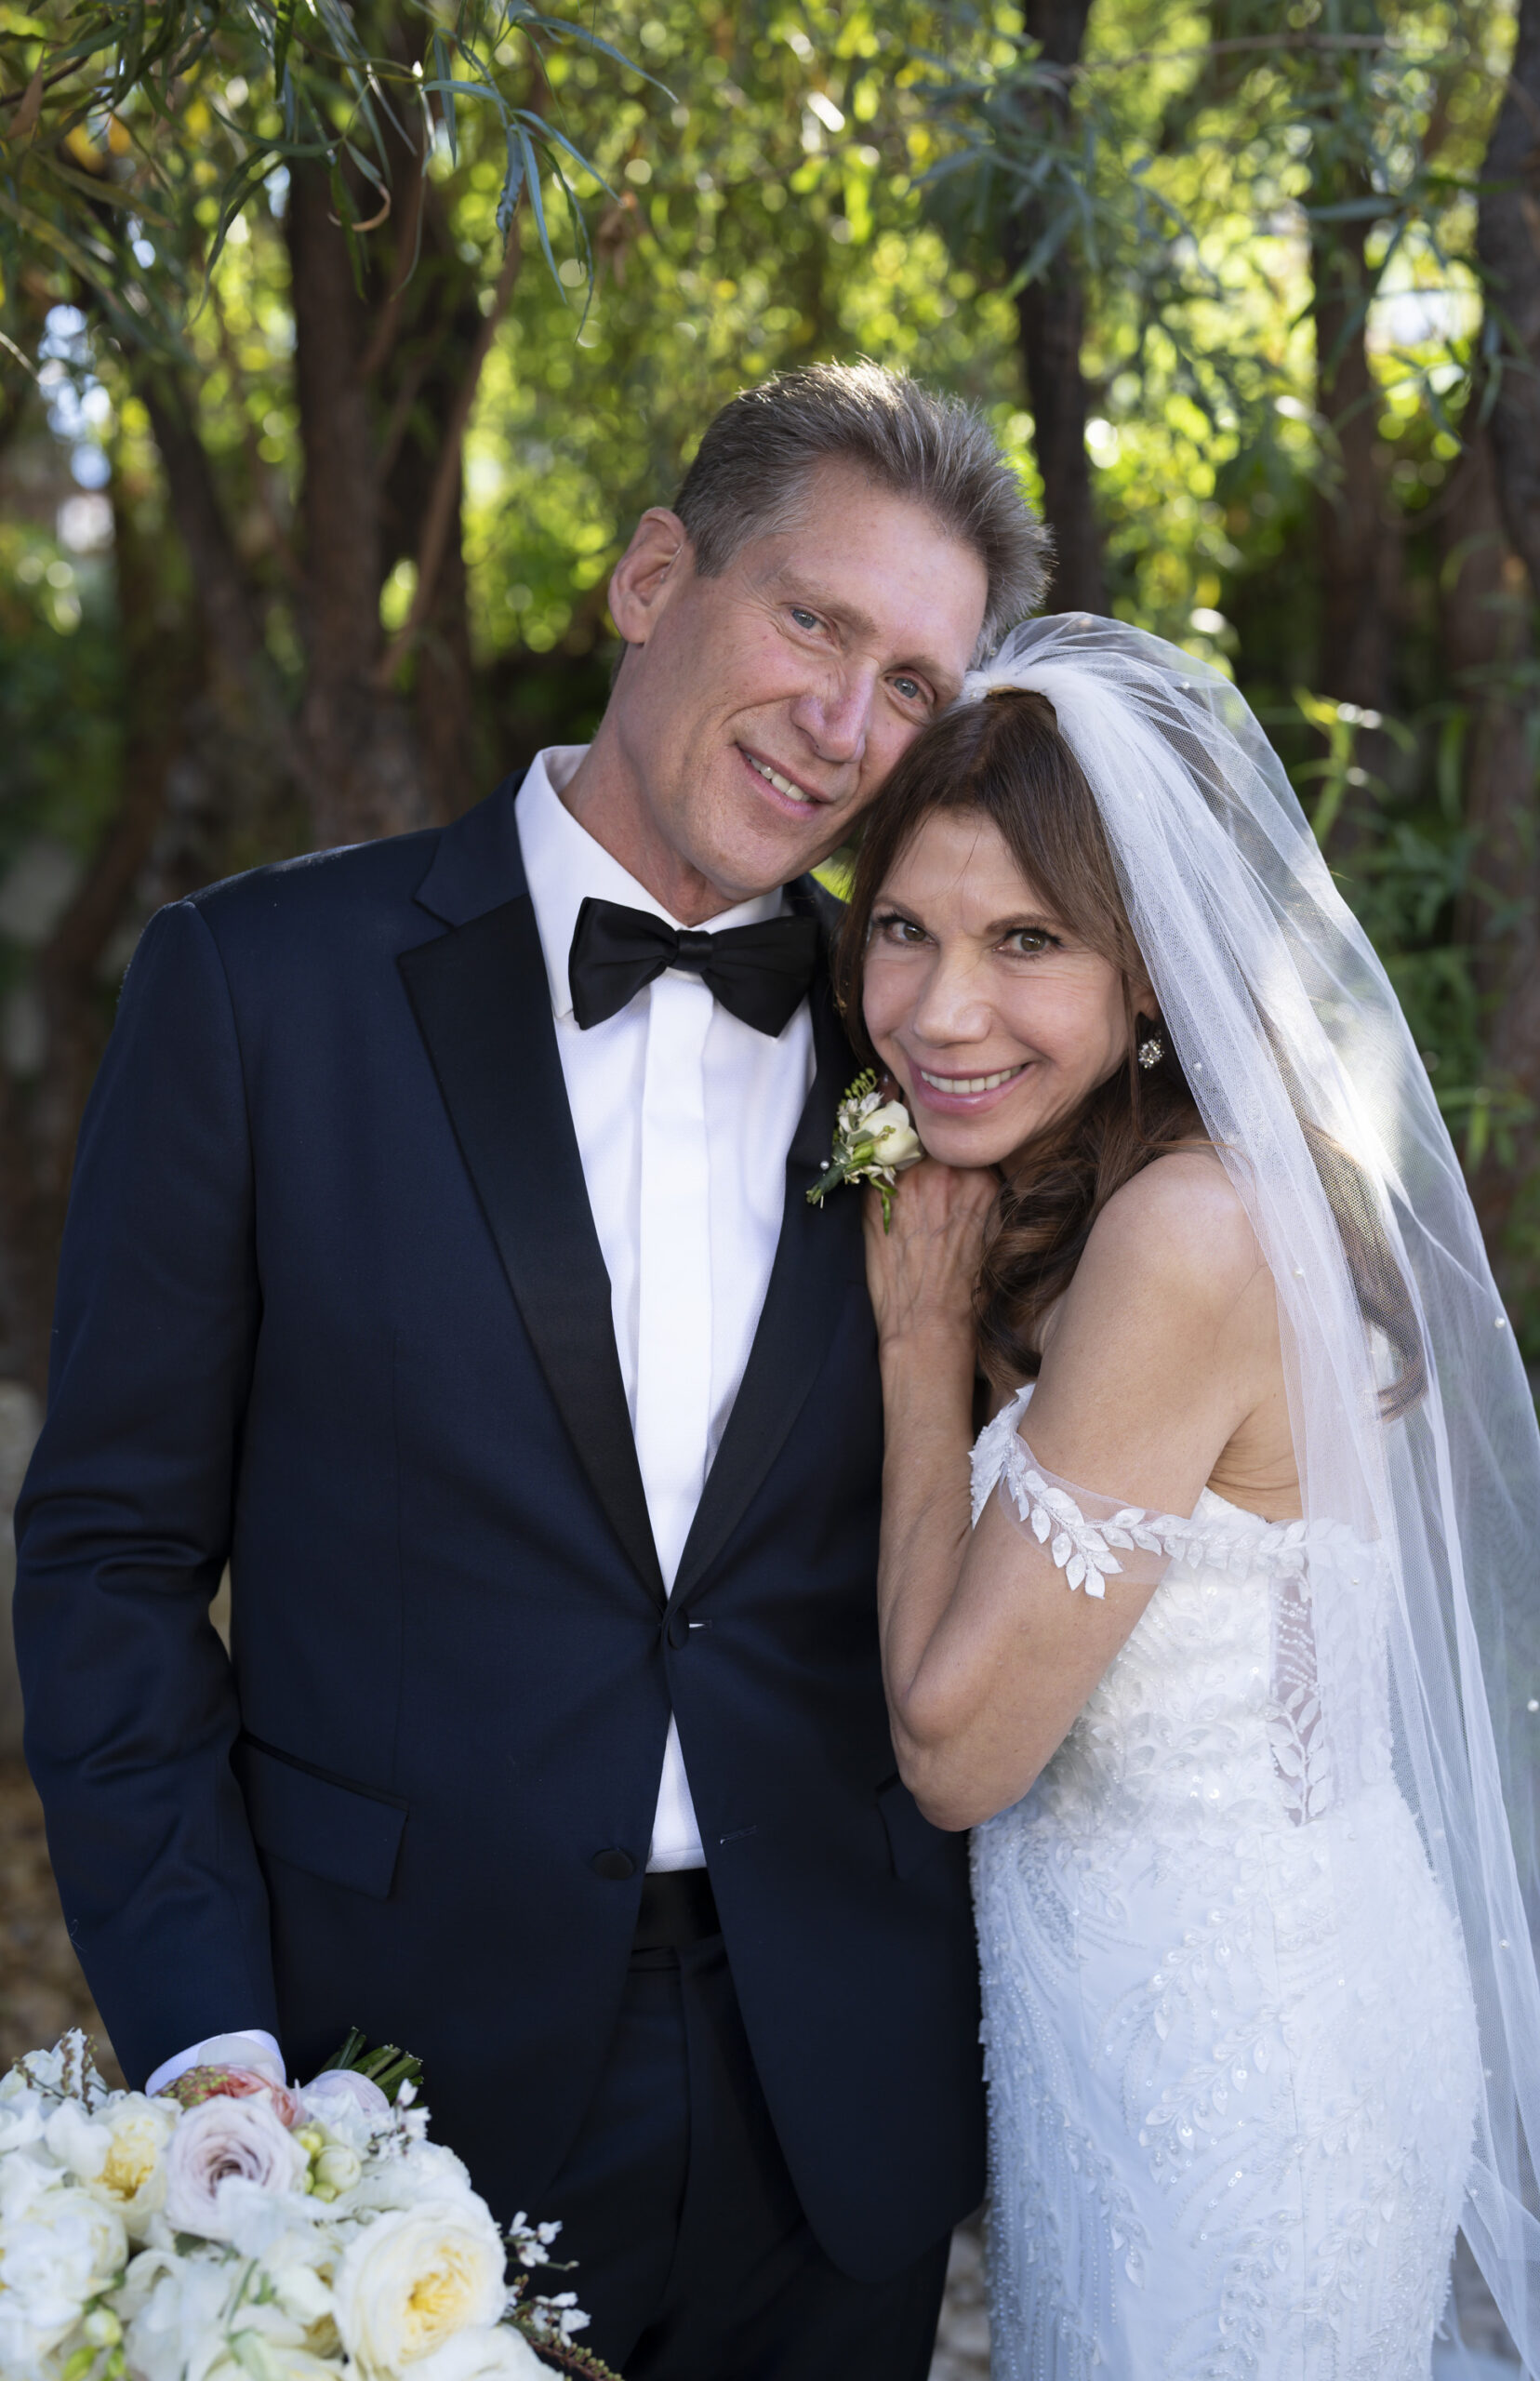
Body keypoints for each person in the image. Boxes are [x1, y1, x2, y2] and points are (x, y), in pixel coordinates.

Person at [12, 365, 1048, 2381]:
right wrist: (216, 2048)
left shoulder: (934, 1048)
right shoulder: (256, 989)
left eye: (911, 682)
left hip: (830, 2098)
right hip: (375, 2070)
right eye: (810, 621)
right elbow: (115, 1555)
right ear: (652, 574)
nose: (844, 722)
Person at [840, 616, 1540, 2380]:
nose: (941, 1012)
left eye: (1026, 941)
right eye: (901, 929)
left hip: (1238, 2072)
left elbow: (957, 1752)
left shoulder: (1184, 1235)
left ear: (1157, 968)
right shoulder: (1165, 1188)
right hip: (1156, 2023)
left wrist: (917, 1343)